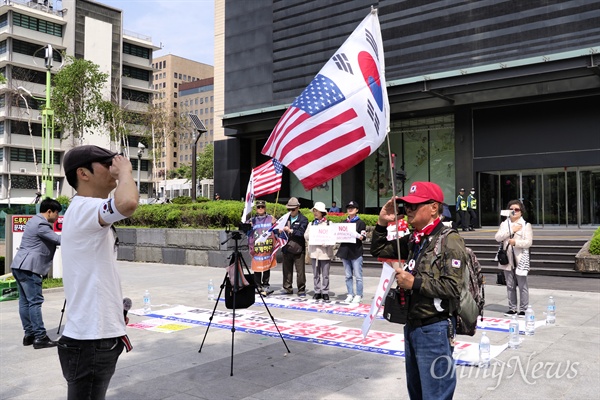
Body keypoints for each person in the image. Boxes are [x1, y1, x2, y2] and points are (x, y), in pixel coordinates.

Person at [371, 182, 467, 400]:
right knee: (417, 393)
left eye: (414, 206)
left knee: (435, 393)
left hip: (435, 327)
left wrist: (414, 282)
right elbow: (378, 250)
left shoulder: (449, 240)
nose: (408, 210)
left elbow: (453, 287)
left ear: (434, 207)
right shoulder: (416, 239)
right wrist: (381, 222)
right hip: (413, 325)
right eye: (407, 206)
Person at [58, 145, 139, 400]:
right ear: (83, 173)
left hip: (94, 337)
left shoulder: (87, 208)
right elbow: (127, 203)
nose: (113, 167)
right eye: (107, 163)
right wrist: (126, 171)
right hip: (90, 339)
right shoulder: (84, 208)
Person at [11, 197, 62, 349]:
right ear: (49, 211)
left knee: (24, 302)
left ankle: (29, 335)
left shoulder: (33, 220)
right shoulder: (41, 224)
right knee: (34, 302)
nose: (58, 217)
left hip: (19, 265)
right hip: (29, 268)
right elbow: (58, 239)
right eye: (57, 213)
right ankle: (40, 337)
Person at [495, 200, 533, 317]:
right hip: (507, 259)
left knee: (522, 285)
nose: (514, 212)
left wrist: (515, 242)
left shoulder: (526, 225)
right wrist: (512, 230)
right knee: (510, 285)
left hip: (520, 258)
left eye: (516, 210)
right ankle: (512, 308)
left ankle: (523, 309)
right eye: (511, 209)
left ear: (521, 212)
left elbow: (528, 242)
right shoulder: (504, 224)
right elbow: (497, 237)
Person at [336, 201, 366, 304]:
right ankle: (350, 294)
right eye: (348, 208)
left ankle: (358, 294)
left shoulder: (360, 223)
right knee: (348, 275)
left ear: (357, 210)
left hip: (356, 252)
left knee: (358, 276)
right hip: (345, 251)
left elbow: (363, 237)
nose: (350, 209)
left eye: (352, 208)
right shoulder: (344, 222)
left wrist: (356, 234)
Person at [305, 202, 334, 301]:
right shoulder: (311, 223)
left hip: (325, 253)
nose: (315, 213)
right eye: (314, 211)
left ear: (322, 212)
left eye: (317, 211)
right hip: (314, 252)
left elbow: (332, 237)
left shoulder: (329, 224)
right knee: (316, 274)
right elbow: (306, 235)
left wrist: (326, 242)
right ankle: (317, 291)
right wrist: (313, 235)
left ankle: (325, 291)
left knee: (325, 274)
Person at [280, 197, 308, 296]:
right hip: (286, 248)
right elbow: (276, 231)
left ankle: (301, 289)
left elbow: (302, 233)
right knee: (286, 270)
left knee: (300, 271)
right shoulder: (285, 218)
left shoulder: (303, 219)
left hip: (298, 249)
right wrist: (278, 230)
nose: (291, 211)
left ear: (298, 208)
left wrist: (291, 230)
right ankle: (287, 288)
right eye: (289, 209)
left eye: (293, 209)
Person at [248, 199, 275, 296]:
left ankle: (266, 285)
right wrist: (248, 226)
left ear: (265, 208)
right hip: (256, 248)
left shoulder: (270, 218)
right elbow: (246, 232)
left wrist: (274, 223)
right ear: (256, 208)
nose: (260, 209)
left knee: (267, 266)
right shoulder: (252, 220)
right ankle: (257, 286)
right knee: (257, 267)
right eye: (258, 207)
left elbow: (276, 230)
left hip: (267, 247)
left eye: (262, 207)